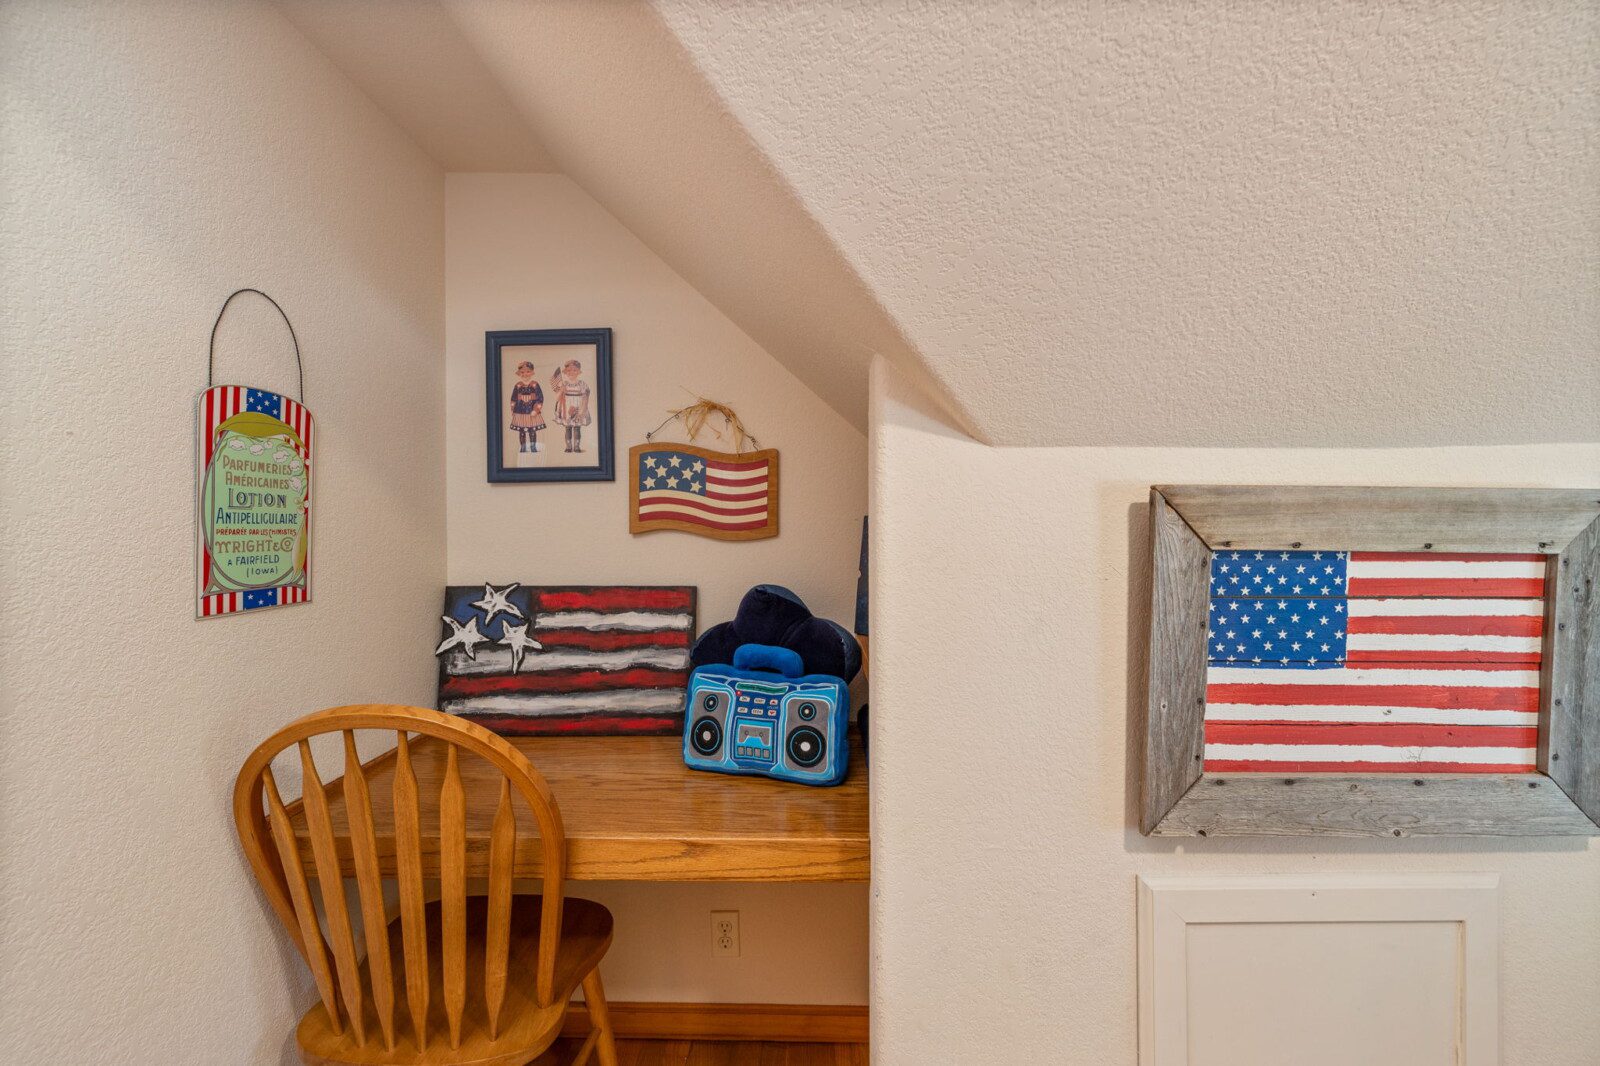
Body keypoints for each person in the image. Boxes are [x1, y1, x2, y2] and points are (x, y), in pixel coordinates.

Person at [551, 358, 592, 452]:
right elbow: (557, 398)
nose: (571, 373)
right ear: (565, 372)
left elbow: (585, 398)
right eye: (569, 370)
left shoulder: (582, 384)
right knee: (568, 428)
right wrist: (561, 390)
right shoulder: (564, 384)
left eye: (574, 370)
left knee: (577, 428)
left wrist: (581, 412)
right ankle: (568, 447)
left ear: (579, 372)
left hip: (578, 408)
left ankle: (577, 446)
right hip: (566, 409)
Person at [508, 360, 544, 453]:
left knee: (532, 431)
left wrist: (536, 410)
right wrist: (512, 410)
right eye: (522, 372)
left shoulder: (535, 385)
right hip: (520, 412)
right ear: (519, 373)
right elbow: (513, 399)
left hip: (532, 412)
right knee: (522, 431)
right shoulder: (518, 385)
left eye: (528, 372)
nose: (525, 374)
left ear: (532, 373)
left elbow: (540, 398)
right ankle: (523, 448)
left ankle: (533, 448)